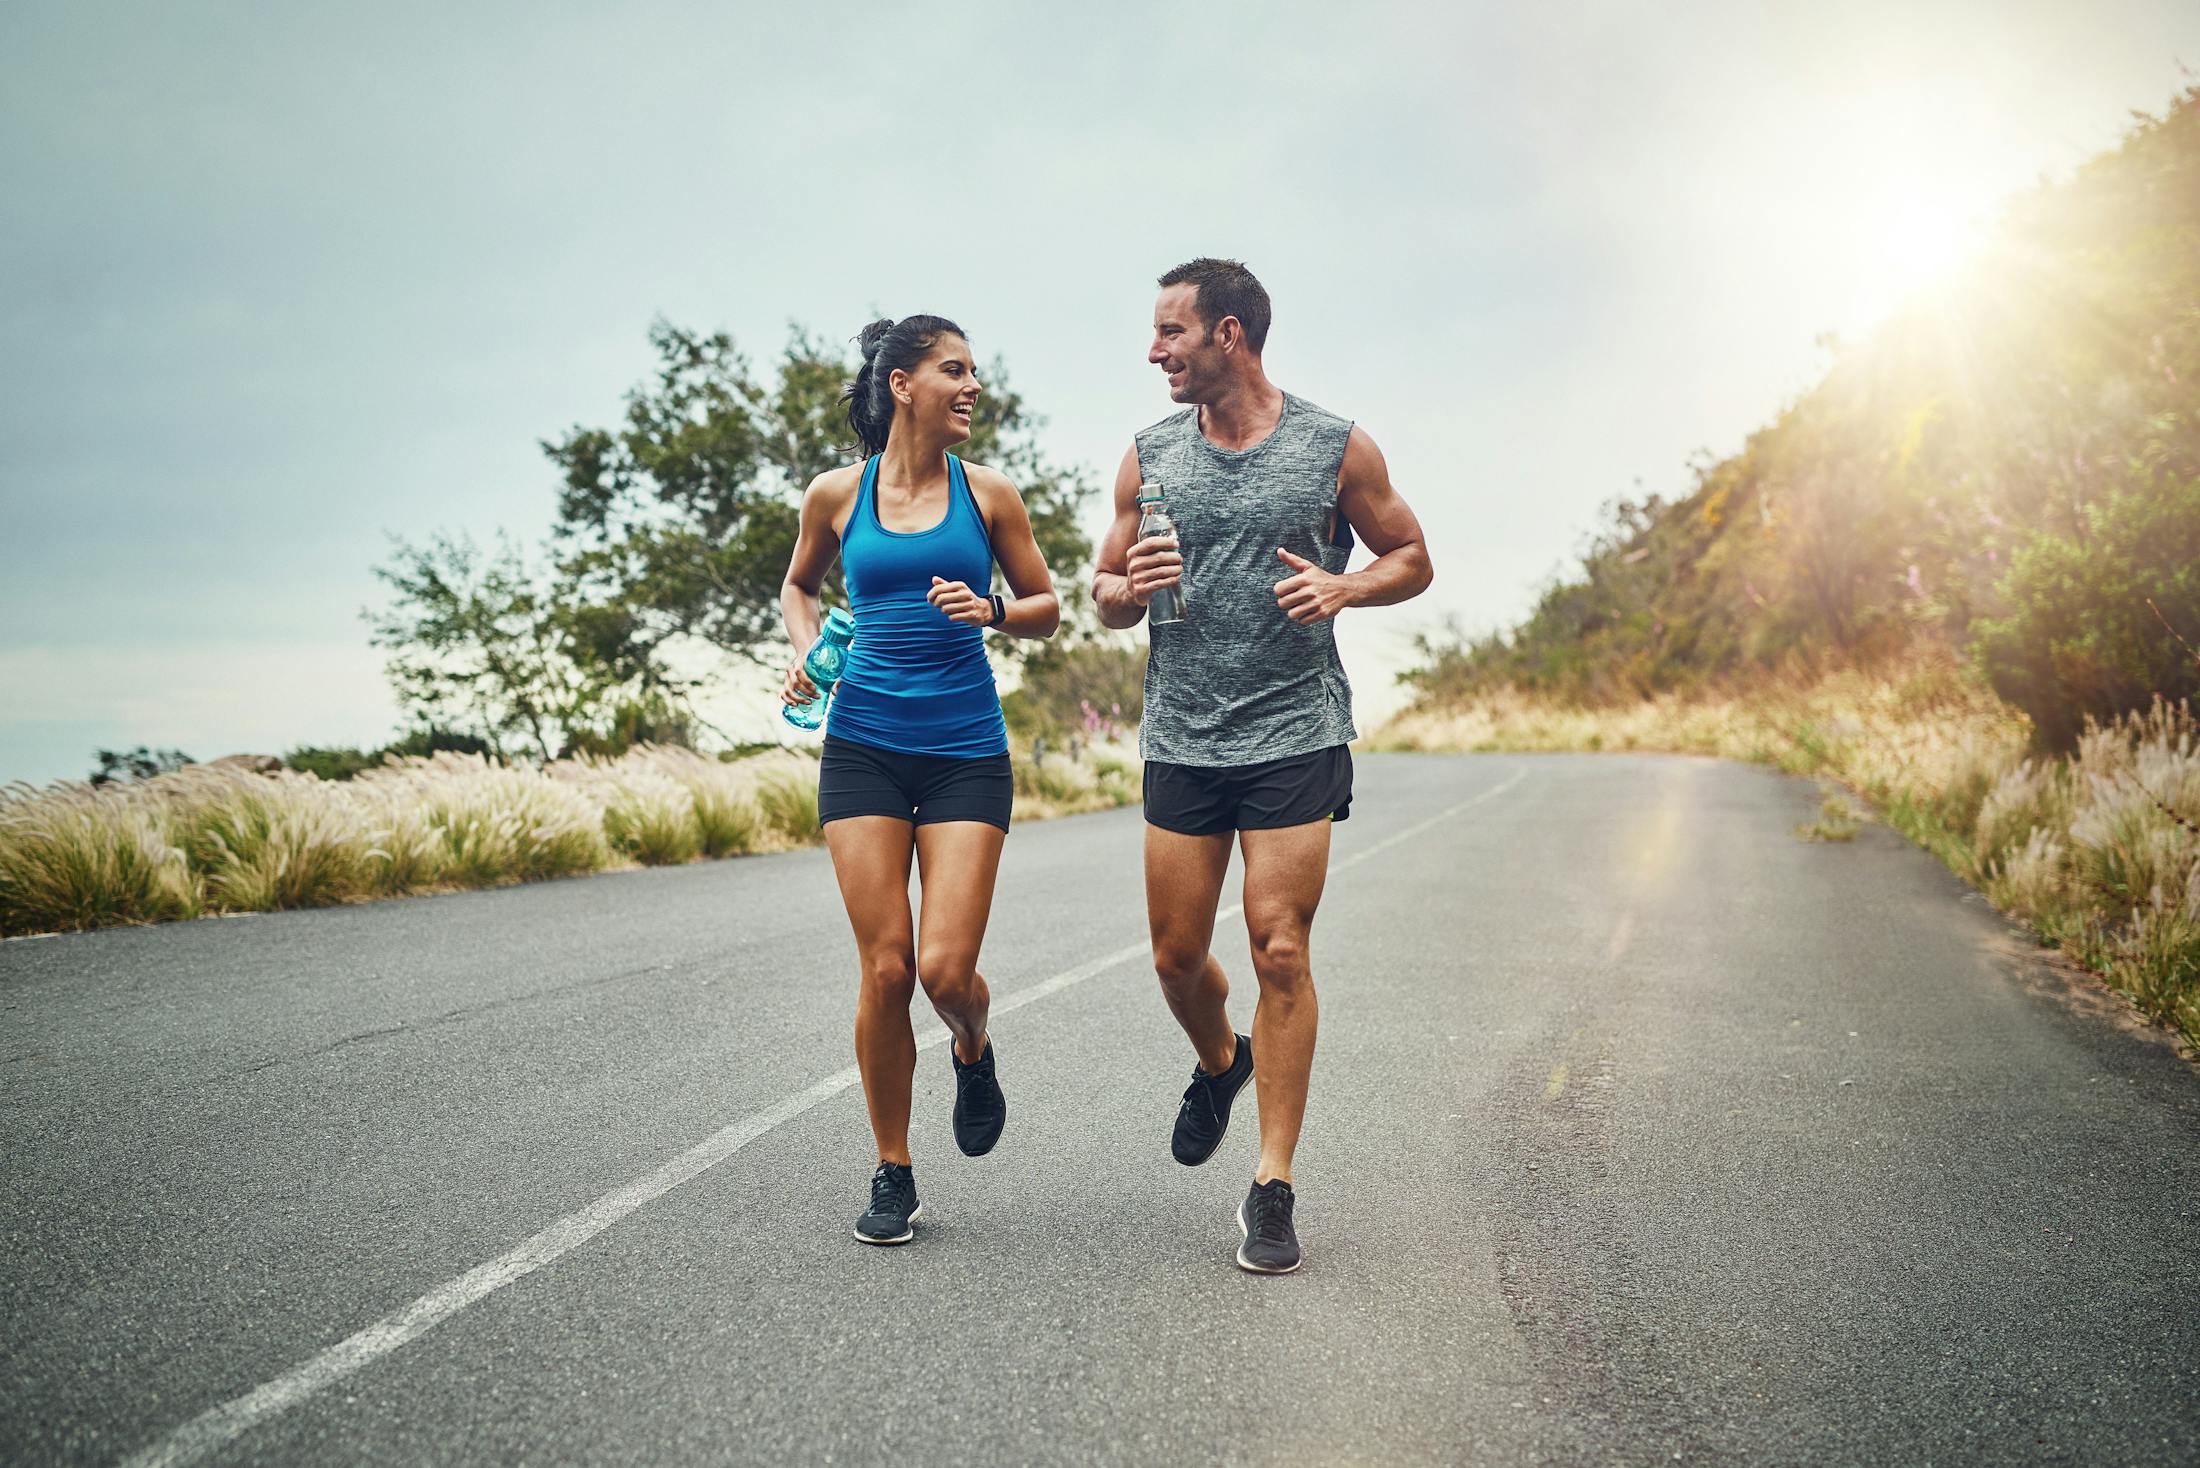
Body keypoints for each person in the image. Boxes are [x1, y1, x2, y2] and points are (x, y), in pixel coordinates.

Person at [1091, 259, 1433, 1274]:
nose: (1154, 351)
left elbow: (1411, 554)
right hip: (1183, 734)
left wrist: (1344, 587)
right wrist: (1124, 588)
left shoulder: (1332, 446)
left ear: (1229, 335)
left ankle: (1272, 1183)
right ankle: (1219, 1059)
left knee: (1278, 944)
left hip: (1294, 728)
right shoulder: (1148, 456)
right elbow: (1104, 590)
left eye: (1171, 333)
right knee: (1174, 957)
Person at [780, 315, 1061, 1245]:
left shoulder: (990, 498)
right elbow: (799, 587)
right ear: (903, 384)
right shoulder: (834, 493)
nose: (973, 386)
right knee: (888, 966)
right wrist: (810, 654)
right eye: (955, 369)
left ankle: (972, 1044)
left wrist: (987, 608)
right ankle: (893, 1169)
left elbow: (1047, 608)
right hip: (861, 744)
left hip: (964, 752)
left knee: (944, 968)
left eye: (975, 371)